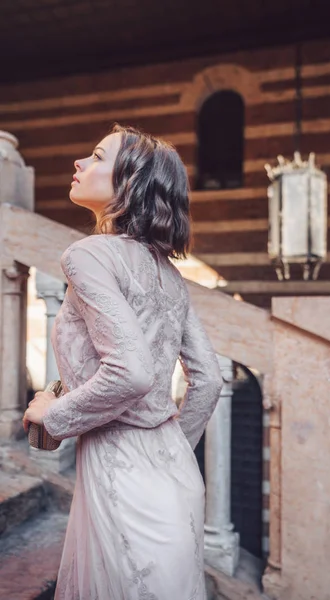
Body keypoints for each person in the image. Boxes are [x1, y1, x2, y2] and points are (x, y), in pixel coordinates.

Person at [22, 124, 223, 600]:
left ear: (129, 183)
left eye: (95, 156)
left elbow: (130, 371)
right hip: (175, 475)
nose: (79, 164)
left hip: (124, 479)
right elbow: (210, 381)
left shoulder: (88, 255)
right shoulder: (172, 275)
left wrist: (56, 415)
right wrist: (168, 443)